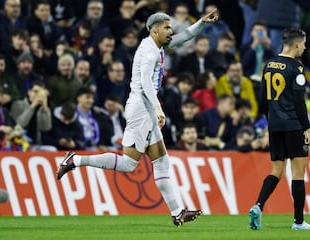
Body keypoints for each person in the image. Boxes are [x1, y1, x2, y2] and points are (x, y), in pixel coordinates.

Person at [56, 9, 219, 226]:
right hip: (141, 109)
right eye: (167, 27)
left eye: (171, 27)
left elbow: (184, 37)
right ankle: (75, 160)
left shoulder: (157, 45)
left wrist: (201, 22)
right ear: (154, 30)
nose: (171, 31)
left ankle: (177, 212)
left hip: (146, 109)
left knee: (161, 160)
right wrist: (158, 109)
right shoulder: (150, 51)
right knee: (128, 164)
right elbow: (144, 83)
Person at [249, 28, 310, 231]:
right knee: (298, 173)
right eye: (304, 44)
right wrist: (307, 128)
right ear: (297, 44)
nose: (305, 48)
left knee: (276, 171)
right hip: (294, 126)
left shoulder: (269, 65)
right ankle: (298, 222)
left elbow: (263, 99)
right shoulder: (296, 68)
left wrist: (269, 122)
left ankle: (258, 205)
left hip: (275, 126)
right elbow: (299, 101)